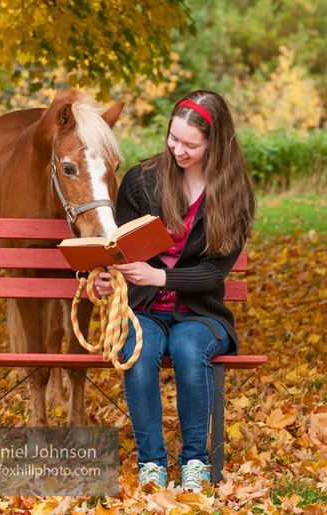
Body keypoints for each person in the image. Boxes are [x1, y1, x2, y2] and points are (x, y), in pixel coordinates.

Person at [94, 90, 255, 491]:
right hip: (144, 310)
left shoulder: (235, 196)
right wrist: (105, 278)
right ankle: (151, 462)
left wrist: (160, 278)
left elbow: (214, 272)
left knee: (187, 348)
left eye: (190, 144)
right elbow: (122, 251)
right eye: (173, 138)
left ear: (214, 145)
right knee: (139, 349)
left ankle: (195, 461)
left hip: (201, 312)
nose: (178, 150)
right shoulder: (142, 180)